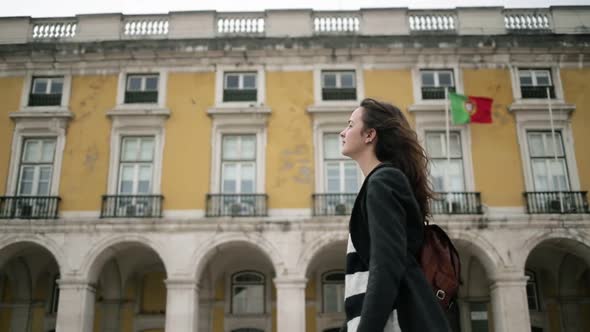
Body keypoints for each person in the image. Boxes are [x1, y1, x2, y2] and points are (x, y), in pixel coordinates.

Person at [339, 98, 450, 332]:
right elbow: (367, 277)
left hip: (397, 322)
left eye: (350, 125)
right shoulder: (382, 181)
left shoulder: (383, 180)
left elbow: (386, 266)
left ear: (369, 135)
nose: (343, 132)